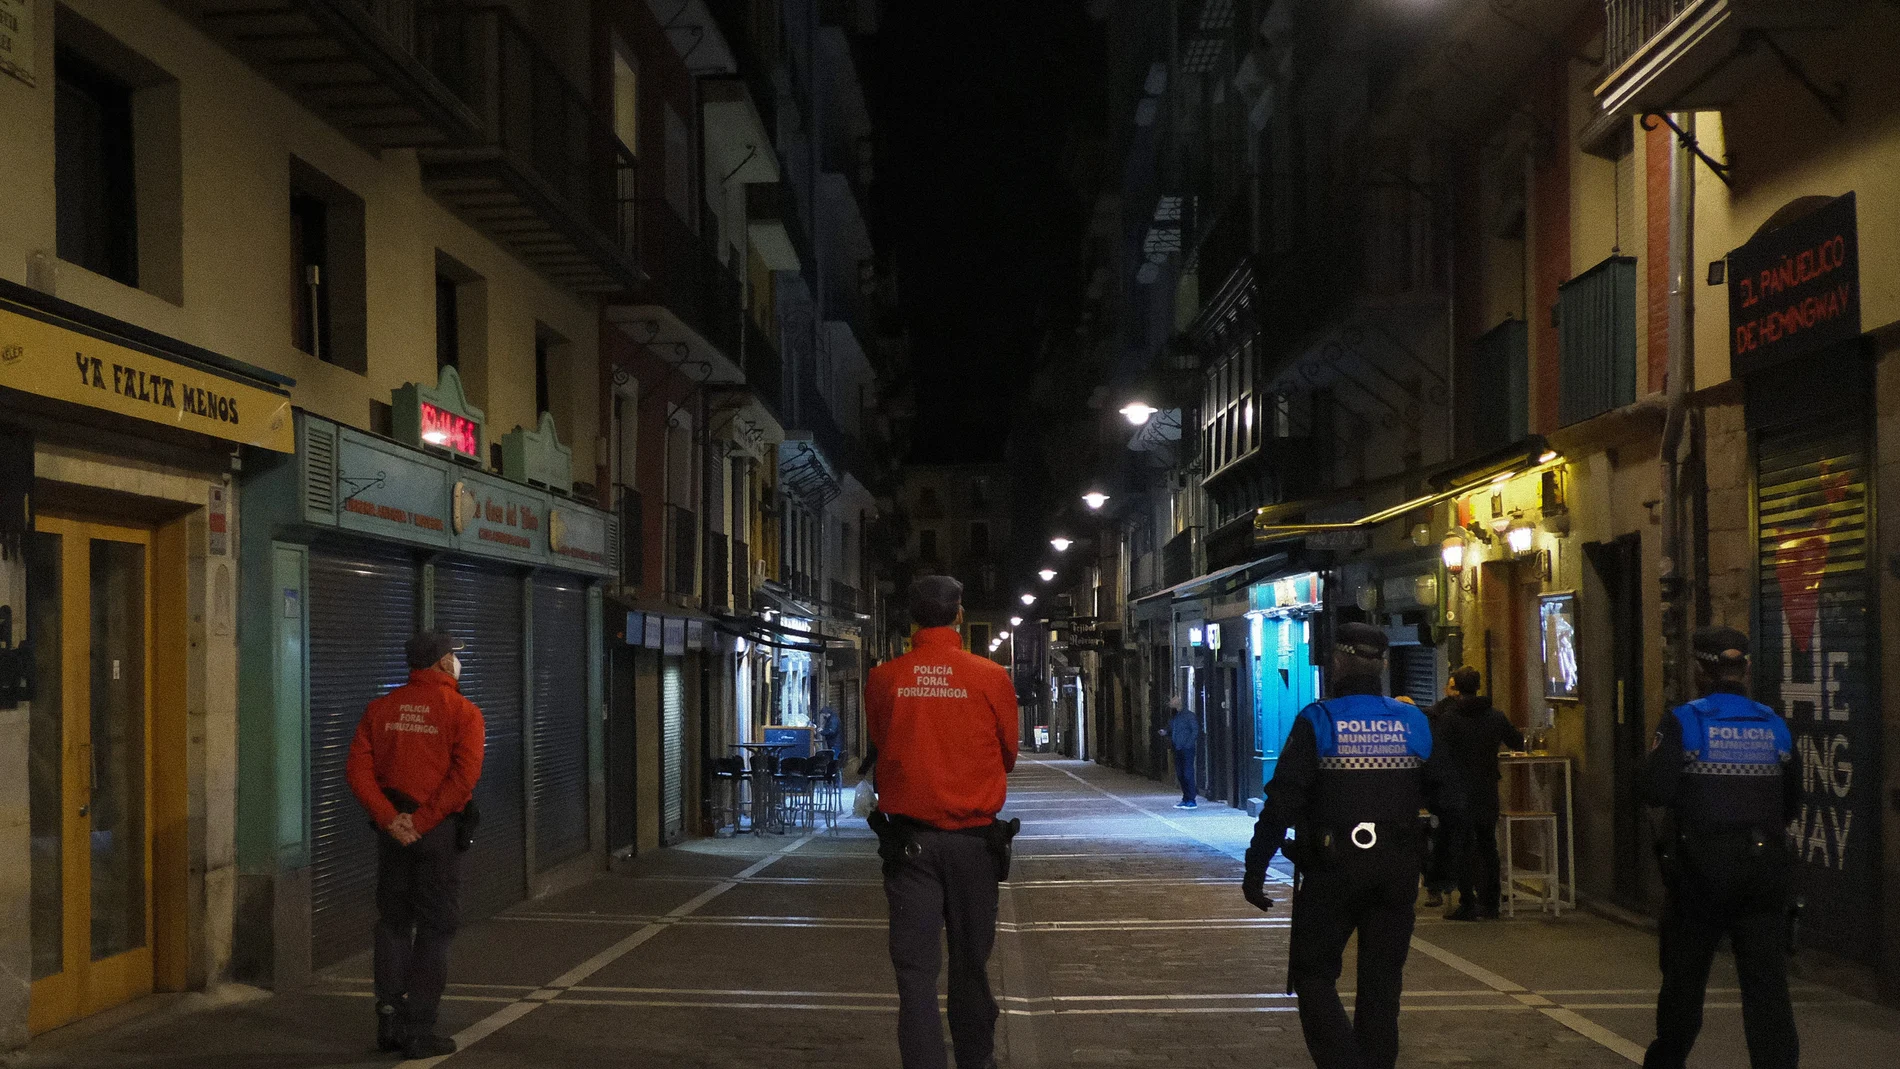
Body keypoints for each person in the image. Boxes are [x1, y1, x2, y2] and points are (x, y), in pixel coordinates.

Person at [1241, 622, 1460, 1069]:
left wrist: (1256, 867)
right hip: (1398, 868)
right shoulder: (1414, 720)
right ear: (1381, 665)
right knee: (1382, 986)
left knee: (1313, 972)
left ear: (1338, 663)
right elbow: (1451, 800)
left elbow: (1282, 800)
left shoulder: (1318, 720)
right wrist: (1441, 867)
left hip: (1332, 868)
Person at [866, 576, 1021, 1069]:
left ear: (911, 617)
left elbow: (882, 744)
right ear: (959, 614)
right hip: (974, 845)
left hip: (910, 845)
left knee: (914, 975)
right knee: (971, 968)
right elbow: (1009, 754)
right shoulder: (991, 676)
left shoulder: (884, 678)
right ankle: (976, 1062)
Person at [1642, 626, 1799, 1069]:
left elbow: (1653, 789)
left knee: (1684, 982)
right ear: (1746, 668)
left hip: (1700, 874)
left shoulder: (1684, 721)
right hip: (1764, 871)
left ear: (1697, 670)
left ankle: (1668, 1061)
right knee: (1767, 988)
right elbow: (1791, 802)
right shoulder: (1773, 725)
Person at [346, 631, 486, 1059]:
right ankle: (419, 1030)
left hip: (394, 837)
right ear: (443, 663)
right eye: (452, 656)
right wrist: (422, 822)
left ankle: (388, 1019)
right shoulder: (463, 713)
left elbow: (357, 771)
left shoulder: (380, 709)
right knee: (435, 928)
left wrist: (391, 820)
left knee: (392, 923)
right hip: (437, 834)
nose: (455, 662)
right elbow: (462, 781)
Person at [1435, 666, 1524, 921]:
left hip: (1459, 789)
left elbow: (1438, 750)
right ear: (1478, 685)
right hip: (1486, 787)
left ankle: (1468, 902)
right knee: (1488, 844)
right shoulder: (1494, 716)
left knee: (1462, 846)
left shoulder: (1450, 718)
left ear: (1457, 687)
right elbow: (1517, 741)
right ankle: (1492, 902)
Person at [1158, 695, 1200, 808]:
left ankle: (1191, 799)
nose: (1170, 701)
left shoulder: (1189, 716)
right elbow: (1171, 729)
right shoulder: (1175, 717)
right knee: (1181, 774)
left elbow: (1195, 730)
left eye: (1173, 700)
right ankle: (1185, 798)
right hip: (1177, 748)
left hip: (1186, 749)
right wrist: (1165, 732)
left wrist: (1188, 744)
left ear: (1179, 702)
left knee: (1187, 773)